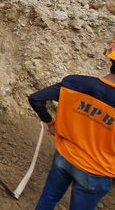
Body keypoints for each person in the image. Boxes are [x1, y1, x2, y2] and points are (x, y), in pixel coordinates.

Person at [28, 41, 114, 210]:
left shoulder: (75, 84)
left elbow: (36, 98)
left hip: (65, 155)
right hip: (97, 171)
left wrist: (50, 123)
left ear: (111, 60)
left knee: (48, 199)